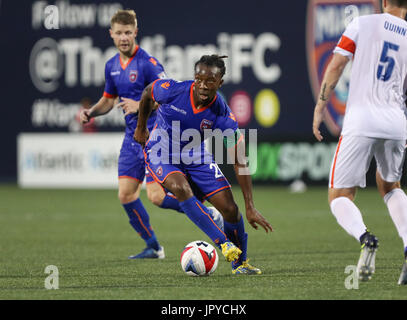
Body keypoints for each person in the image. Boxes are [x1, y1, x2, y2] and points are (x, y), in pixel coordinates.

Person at [79, 9, 225, 259]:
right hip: (131, 136)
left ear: (135, 32)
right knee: (125, 194)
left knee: (156, 196)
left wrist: (140, 106)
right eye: (119, 33)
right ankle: (154, 246)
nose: (123, 37)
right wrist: (91, 112)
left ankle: (207, 213)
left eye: (128, 32)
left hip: (155, 134)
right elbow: (108, 100)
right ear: (111, 34)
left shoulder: (148, 63)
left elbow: (168, 96)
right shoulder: (111, 65)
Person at [134, 54, 273, 274]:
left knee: (230, 209)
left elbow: (239, 160)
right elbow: (146, 93)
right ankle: (223, 243)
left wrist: (250, 205)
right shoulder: (173, 90)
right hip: (161, 151)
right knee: (180, 188)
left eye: (210, 81)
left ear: (220, 83)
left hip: (195, 155)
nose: (203, 85)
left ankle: (241, 264)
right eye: (199, 78)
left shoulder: (222, 114)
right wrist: (141, 128)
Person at [312, 0, 407, 284]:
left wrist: (320, 108)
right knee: (390, 186)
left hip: (361, 120)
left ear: (383, 2)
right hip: (396, 121)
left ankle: (366, 238)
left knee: (339, 195)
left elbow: (336, 65)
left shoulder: (362, 23)